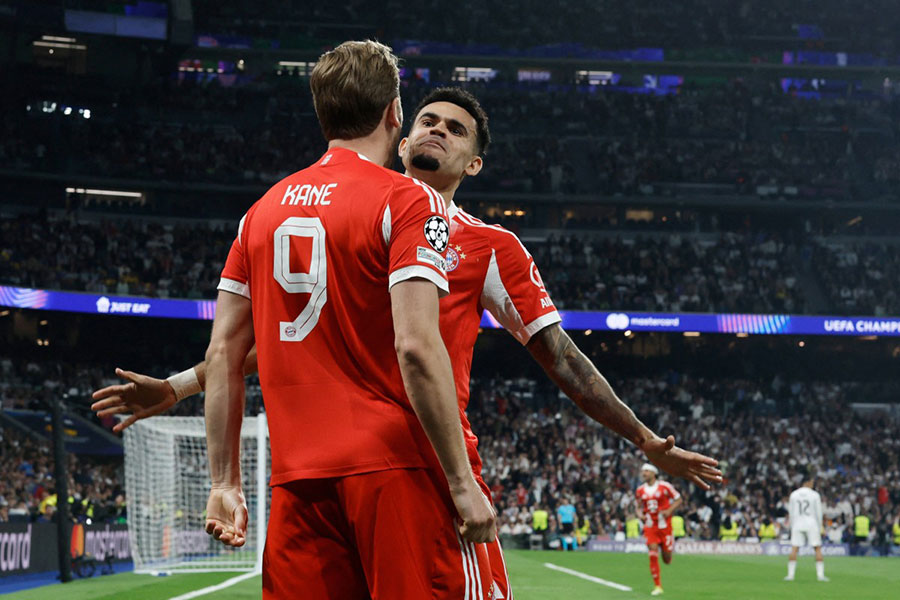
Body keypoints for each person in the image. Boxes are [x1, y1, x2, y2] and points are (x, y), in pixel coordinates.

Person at [92, 86, 723, 599]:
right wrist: (179, 386)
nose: (437, 130)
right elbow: (277, 341)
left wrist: (643, 439)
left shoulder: (489, 247)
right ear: (400, 135)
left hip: (424, 467)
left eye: (456, 129)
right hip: (330, 477)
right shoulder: (361, 220)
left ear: (473, 164)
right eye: (428, 120)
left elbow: (561, 358)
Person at [197, 40, 498, 599]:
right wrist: (462, 483)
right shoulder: (409, 201)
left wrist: (224, 481)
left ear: (323, 113)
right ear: (394, 114)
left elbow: (222, 356)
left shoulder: (259, 213)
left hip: (297, 481)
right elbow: (416, 346)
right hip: (392, 471)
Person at [635, 463, 682, 596]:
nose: (644, 473)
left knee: (666, 559)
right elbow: (638, 506)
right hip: (650, 526)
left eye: (646, 471)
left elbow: (679, 499)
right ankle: (658, 586)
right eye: (643, 471)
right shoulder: (640, 490)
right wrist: (640, 515)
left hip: (664, 526)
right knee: (652, 552)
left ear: (653, 473)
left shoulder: (665, 486)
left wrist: (669, 510)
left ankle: (667, 552)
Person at [785, 476, 828, 582]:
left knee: (794, 548)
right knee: (817, 548)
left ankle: (790, 575)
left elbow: (791, 512)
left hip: (797, 523)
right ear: (807, 482)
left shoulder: (794, 494)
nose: (813, 484)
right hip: (812, 524)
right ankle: (820, 576)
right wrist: (820, 526)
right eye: (812, 482)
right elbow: (818, 512)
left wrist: (792, 525)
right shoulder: (815, 495)